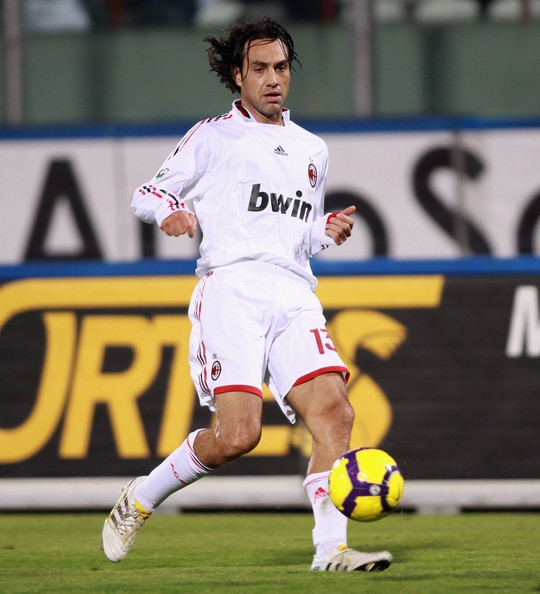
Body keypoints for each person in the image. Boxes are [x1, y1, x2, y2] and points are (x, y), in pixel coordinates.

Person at [102, 16, 393, 573]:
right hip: (232, 289)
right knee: (238, 436)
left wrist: (323, 231)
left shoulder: (312, 148)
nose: (273, 79)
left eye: (281, 67)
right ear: (238, 75)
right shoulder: (213, 136)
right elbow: (148, 191)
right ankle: (140, 497)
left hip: (293, 291)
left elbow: (294, 235)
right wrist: (171, 211)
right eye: (260, 69)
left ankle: (331, 550)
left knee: (335, 413)